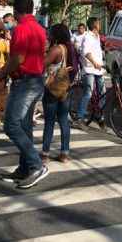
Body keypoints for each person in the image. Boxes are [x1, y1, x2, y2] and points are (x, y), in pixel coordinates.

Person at [0, 0, 48, 189]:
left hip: (25, 82)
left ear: (16, 10)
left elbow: (18, 59)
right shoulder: (39, 28)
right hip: (36, 80)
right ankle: (24, 168)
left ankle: (36, 165)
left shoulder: (21, 29)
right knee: (25, 127)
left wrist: (2, 73)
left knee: (11, 125)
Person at [41, 24, 78, 164]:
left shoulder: (56, 49)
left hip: (52, 90)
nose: (48, 35)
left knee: (49, 122)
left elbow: (42, 64)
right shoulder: (67, 48)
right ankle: (64, 153)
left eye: (50, 32)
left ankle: (45, 154)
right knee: (63, 121)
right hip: (64, 89)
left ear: (55, 35)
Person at [73, 17, 106, 130]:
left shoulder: (97, 37)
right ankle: (79, 118)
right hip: (89, 69)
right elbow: (86, 52)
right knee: (88, 93)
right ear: (95, 24)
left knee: (102, 94)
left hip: (98, 70)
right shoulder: (87, 36)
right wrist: (94, 63)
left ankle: (98, 115)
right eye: (99, 22)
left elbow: (97, 52)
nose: (100, 24)